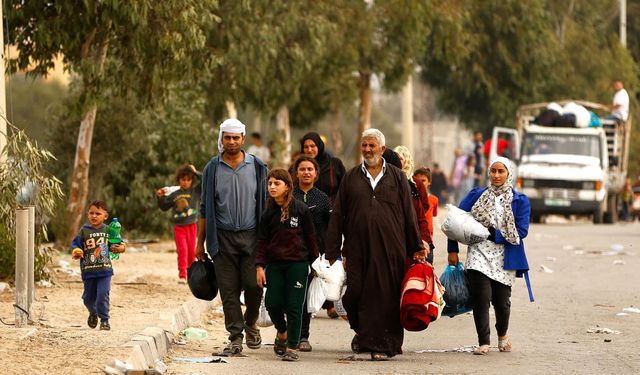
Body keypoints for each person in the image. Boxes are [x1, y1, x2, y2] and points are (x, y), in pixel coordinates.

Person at [326, 128, 426, 361]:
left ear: (382, 149)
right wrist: (332, 250)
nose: (368, 150)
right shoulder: (351, 177)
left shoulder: (397, 177)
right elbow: (338, 214)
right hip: (358, 247)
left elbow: (409, 215)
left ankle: (385, 344)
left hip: (391, 247)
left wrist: (416, 246)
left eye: (372, 146)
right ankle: (363, 334)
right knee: (355, 294)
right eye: (365, 145)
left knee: (386, 295)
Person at [195, 118, 268, 356]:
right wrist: (200, 242)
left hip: (252, 238)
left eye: (236, 137)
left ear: (243, 139)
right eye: (228, 137)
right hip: (221, 238)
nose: (232, 141)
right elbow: (205, 208)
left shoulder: (257, 167)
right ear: (222, 139)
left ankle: (250, 324)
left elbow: (266, 205)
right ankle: (235, 337)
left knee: (254, 286)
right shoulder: (212, 168)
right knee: (228, 291)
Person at [447, 157, 531, 355]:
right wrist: (452, 249)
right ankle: (483, 342)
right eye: (493, 171)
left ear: (509, 174)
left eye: (501, 171)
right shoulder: (477, 195)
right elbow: (455, 220)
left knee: (502, 302)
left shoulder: (520, 201)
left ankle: (502, 336)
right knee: (481, 297)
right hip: (479, 253)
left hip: (506, 256)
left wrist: (495, 234)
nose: (496, 175)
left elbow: (522, 231)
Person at [255, 169, 319, 362]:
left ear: (288, 186)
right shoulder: (267, 213)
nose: (272, 187)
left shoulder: (301, 210)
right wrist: (259, 266)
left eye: (277, 183)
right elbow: (261, 241)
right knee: (272, 303)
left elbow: (310, 238)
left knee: (294, 306)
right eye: (270, 183)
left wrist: (315, 265)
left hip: (298, 265)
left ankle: (292, 346)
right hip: (274, 266)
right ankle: (281, 332)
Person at [291, 155, 332, 351]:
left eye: (310, 169)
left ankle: (302, 337)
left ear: (316, 174)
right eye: (302, 169)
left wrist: (330, 254)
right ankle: (286, 333)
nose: (306, 172)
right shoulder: (288, 196)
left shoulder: (323, 199)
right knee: (288, 297)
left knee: (305, 297)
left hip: (313, 256)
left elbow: (331, 228)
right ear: (296, 172)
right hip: (289, 254)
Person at [70, 200, 126, 331]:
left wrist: (121, 248)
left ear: (105, 216)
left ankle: (105, 320)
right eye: (91, 213)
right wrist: (76, 251)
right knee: (87, 299)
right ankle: (93, 312)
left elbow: (118, 244)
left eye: (98, 213)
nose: (94, 216)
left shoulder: (109, 230)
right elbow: (75, 245)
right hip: (88, 270)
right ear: (87, 214)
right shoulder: (84, 231)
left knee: (102, 295)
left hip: (104, 270)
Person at [156, 164, 201, 283]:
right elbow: (164, 207)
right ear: (179, 180)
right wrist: (160, 197)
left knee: (192, 252)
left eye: (188, 180)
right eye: (183, 180)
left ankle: (191, 276)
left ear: (192, 180)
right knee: (183, 250)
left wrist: (194, 171)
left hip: (191, 226)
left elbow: (206, 180)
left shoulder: (195, 191)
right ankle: (182, 275)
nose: (186, 182)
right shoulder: (174, 194)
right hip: (179, 227)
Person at [393, 146, 435, 260]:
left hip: (413, 231)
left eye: (400, 158)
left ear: (406, 160)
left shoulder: (415, 183)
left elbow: (424, 206)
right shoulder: (388, 180)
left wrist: (412, 217)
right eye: (394, 157)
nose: (397, 161)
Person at [299, 132, 346, 204]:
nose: (309, 150)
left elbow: (345, 189)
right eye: (306, 147)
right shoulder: (297, 167)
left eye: (312, 146)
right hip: (305, 211)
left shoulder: (335, 164)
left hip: (332, 211)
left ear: (319, 146)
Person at [413, 167, 439, 264]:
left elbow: (434, 216)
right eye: (417, 180)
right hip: (415, 237)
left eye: (423, 180)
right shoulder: (412, 199)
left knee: (428, 265)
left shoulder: (434, 200)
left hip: (428, 240)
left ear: (429, 182)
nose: (420, 183)